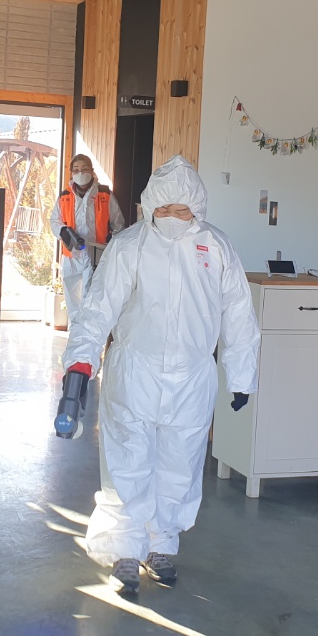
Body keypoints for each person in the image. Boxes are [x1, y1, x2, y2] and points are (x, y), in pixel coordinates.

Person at [58, 156, 260, 595]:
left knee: (180, 465)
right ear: (150, 206)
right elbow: (98, 309)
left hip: (192, 377)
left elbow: (239, 313)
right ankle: (125, 551)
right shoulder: (130, 245)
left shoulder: (216, 247)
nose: (171, 216)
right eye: (163, 208)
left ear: (197, 209)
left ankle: (161, 544)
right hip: (135, 371)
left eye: (181, 209)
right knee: (127, 463)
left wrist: (242, 374)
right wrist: (80, 364)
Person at [50, 154, 127, 327]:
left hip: (96, 256)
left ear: (92, 171)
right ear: (71, 173)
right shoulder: (65, 196)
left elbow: (118, 223)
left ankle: (89, 336)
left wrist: (112, 240)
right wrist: (63, 232)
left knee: (91, 298)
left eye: (84, 169)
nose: (80, 173)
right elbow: (55, 220)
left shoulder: (104, 194)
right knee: (73, 301)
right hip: (71, 256)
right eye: (76, 170)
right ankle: (75, 335)